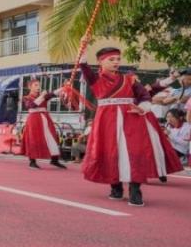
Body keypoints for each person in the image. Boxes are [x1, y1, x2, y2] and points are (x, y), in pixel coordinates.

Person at [77, 46, 182, 206]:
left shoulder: (129, 79)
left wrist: (144, 107)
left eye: (118, 59)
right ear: (100, 62)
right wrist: (83, 50)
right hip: (106, 120)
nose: (116, 62)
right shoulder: (95, 79)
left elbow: (144, 95)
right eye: (111, 59)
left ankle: (135, 191)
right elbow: (84, 66)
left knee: (134, 153)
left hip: (131, 118)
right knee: (111, 152)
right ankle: (116, 187)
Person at [19, 77, 66, 170]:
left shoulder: (43, 95)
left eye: (39, 85)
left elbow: (53, 94)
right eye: (35, 85)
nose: (38, 87)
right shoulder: (26, 98)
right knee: (33, 139)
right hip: (34, 121)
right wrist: (42, 96)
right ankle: (32, 161)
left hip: (45, 119)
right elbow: (31, 105)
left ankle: (54, 159)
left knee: (52, 137)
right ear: (30, 87)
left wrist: (64, 87)